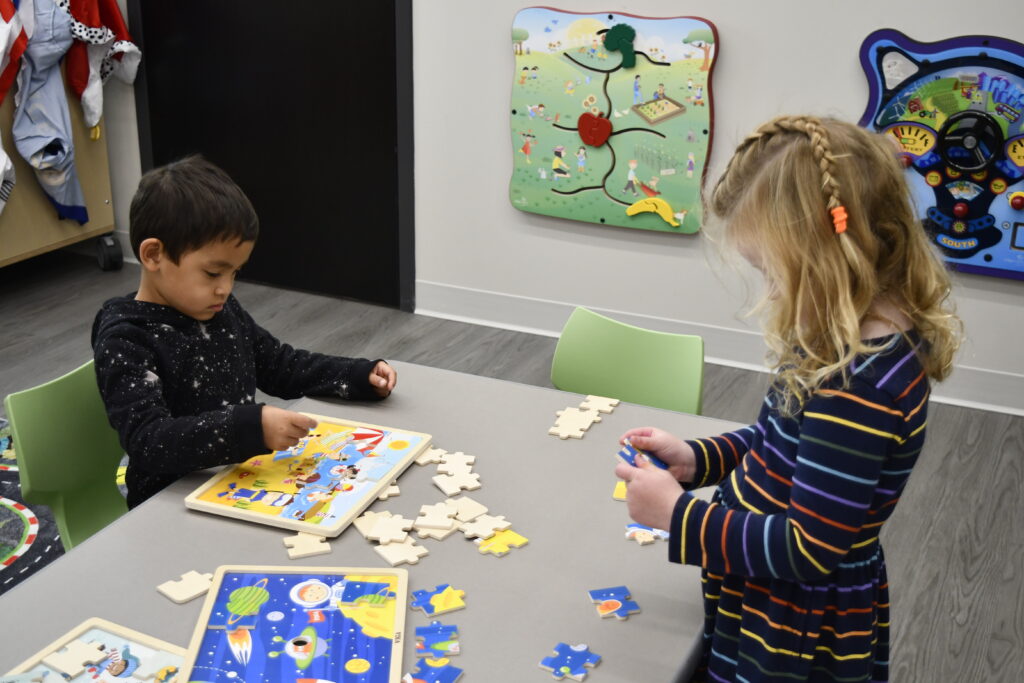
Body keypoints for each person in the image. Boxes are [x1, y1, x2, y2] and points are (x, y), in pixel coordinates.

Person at [614, 115, 962, 683]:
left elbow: (808, 550)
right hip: (764, 588)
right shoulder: (839, 337)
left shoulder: (857, 385)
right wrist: (699, 459)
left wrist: (678, 515)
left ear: (829, 260)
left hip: (792, 622)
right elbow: (781, 444)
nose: (771, 291)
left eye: (773, 272)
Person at [92, 156, 397, 509]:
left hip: (237, 483)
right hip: (169, 503)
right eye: (212, 273)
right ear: (154, 254)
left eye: (234, 273)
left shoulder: (219, 307)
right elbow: (149, 441)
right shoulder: (126, 339)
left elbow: (280, 364)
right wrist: (248, 428)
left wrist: (355, 375)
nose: (225, 288)